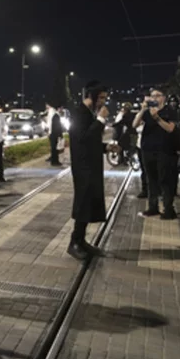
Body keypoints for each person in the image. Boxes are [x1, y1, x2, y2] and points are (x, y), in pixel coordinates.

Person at [68, 81, 119, 260]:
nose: (104, 101)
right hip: (83, 167)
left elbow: (92, 141)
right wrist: (101, 120)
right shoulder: (79, 113)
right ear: (93, 95)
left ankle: (81, 241)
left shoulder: (88, 113)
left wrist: (106, 148)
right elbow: (83, 139)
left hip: (91, 164)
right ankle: (74, 242)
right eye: (102, 97)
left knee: (89, 202)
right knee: (83, 202)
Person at [132, 88, 179, 220]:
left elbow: (170, 129)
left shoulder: (170, 110)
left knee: (165, 180)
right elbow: (134, 124)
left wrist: (157, 118)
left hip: (164, 151)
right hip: (147, 150)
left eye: (157, 96)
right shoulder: (147, 111)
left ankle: (168, 209)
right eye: (152, 96)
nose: (154, 98)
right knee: (151, 179)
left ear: (164, 97)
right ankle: (153, 207)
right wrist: (142, 110)